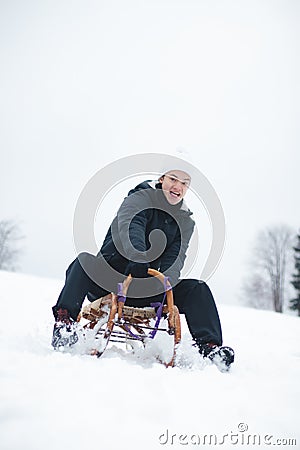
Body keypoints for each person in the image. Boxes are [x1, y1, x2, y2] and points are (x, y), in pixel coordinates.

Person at [52, 166, 234, 370]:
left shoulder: (185, 222)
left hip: (147, 287)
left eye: (184, 183)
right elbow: (132, 225)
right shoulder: (138, 199)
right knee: (84, 261)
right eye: (173, 179)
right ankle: (64, 324)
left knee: (197, 288)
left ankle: (210, 349)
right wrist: (138, 257)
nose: (178, 187)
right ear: (162, 178)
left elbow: (176, 257)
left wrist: (165, 281)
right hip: (110, 279)